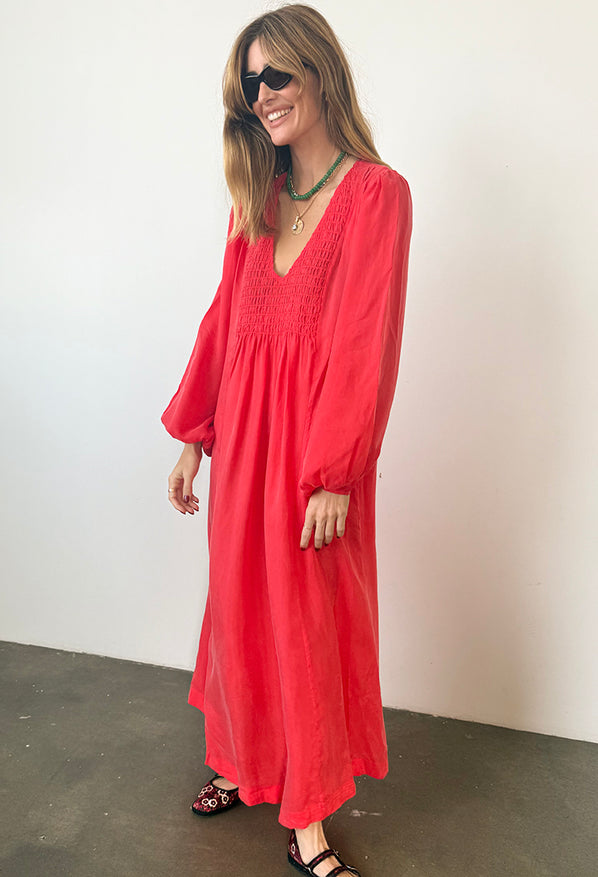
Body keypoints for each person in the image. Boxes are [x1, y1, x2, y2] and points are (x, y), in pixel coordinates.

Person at [162, 5, 412, 875]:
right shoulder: (258, 199)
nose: (263, 94)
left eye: (277, 75)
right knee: (239, 608)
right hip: (244, 443)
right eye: (251, 83)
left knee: (305, 626)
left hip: (313, 457)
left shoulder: (376, 194)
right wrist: (195, 434)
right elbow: (224, 320)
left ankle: (306, 817)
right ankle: (240, 762)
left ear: (319, 71)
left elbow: (366, 341)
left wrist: (335, 470)